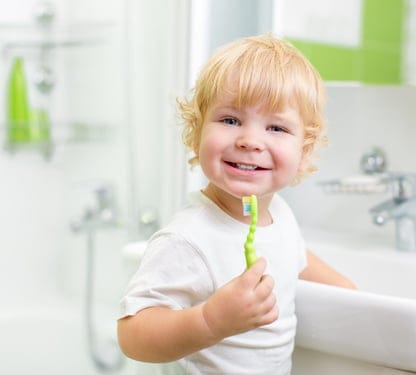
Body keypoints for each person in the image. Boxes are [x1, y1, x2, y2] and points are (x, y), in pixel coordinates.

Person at [117, 34, 355, 374]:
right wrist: (210, 321)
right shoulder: (187, 238)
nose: (249, 141)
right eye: (230, 120)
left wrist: (350, 292)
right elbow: (132, 335)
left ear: (303, 152)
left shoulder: (280, 214)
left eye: (275, 127)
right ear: (196, 132)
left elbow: (295, 256)